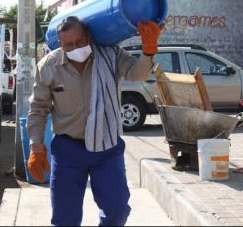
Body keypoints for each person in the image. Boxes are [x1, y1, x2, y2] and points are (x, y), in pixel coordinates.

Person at [27, 16, 164, 226]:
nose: (76, 48)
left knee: (117, 210)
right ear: (60, 45)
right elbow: (38, 108)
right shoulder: (49, 66)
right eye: (69, 45)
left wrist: (148, 50)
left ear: (88, 36)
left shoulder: (111, 55)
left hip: (106, 146)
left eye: (80, 41)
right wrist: (36, 147)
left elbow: (137, 74)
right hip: (68, 150)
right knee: (64, 218)